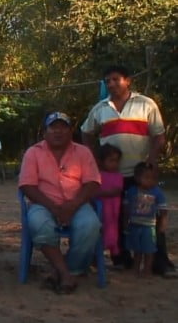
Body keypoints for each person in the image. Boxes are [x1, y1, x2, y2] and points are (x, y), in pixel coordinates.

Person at [81, 65, 172, 275]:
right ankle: (122, 259)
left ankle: (161, 263)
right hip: (112, 177)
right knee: (115, 216)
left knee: (150, 217)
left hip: (140, 175)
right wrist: (94, 160)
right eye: (107, 81)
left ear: (127, 80)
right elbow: (86, 133)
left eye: (115, 79)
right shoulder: (100, 108)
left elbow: (159, 135)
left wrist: (151, 159)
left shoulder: (145, 104)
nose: (111, 84)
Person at [19, 112, 101, 294]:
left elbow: (93, 182)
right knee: (39, 224)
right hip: (44, 204)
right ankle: (66, 274)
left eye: (63, 127)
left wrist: (73, 205)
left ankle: (65, 271)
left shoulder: (83, 152)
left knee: (90, 226)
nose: (58, 131)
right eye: (53, 127)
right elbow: (27, 186)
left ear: (71, 131)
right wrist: (54, 208)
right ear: (45, 132)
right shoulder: (33, 153)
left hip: (77, 203)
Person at [123, 163, 169, 278]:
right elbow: (126, 208)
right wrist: (125, 223)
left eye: (154, 178)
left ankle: (147, 269)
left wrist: (163, 223)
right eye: (147, 178)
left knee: (149, 250)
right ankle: (135, 268)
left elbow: (163, 209)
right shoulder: (132, 191)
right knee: (137, 249)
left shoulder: (157, 192)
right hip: (134, 225)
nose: (151, 181)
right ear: (138, 178)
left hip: (149, 227)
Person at [96, 144, 124, 260]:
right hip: (99, 207)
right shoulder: (97, 175)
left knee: (111, 227)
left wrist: (98, 194)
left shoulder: (118, 176)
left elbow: (117, 191)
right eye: (111, 160)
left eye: (117, 161)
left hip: (112, 208)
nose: (115, 164)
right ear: (102, 161)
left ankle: (111, 247)